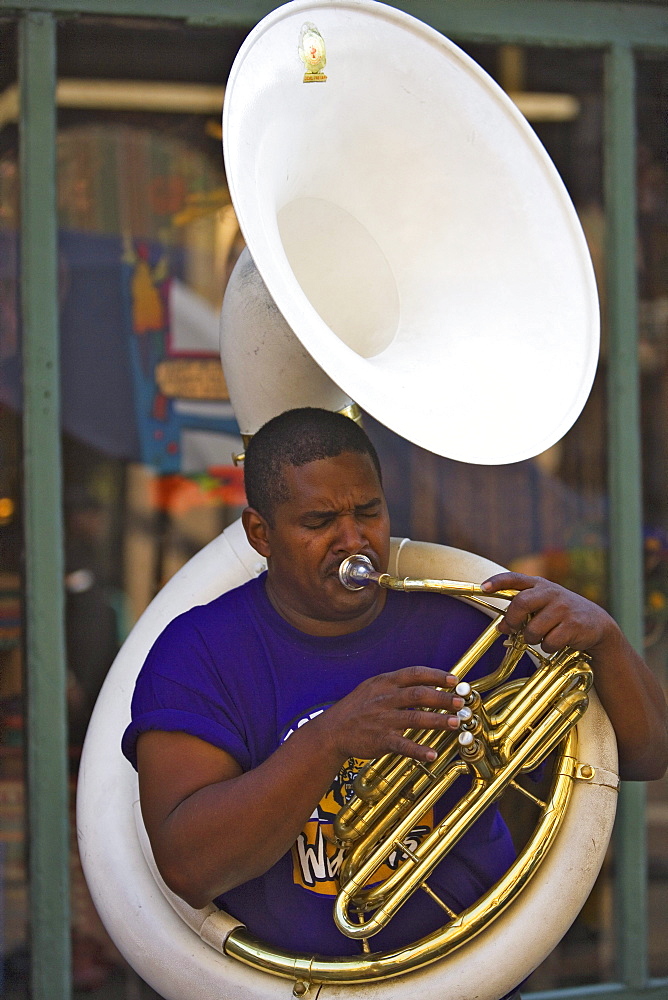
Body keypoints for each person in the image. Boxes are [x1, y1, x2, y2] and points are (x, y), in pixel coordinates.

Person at [122, 407, 668, 975]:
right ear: (260, 534)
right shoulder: (197, 652)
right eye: (318, 522)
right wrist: (330, 738)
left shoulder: (464, 626)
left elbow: (645, 756)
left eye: (369, 512)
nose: (354, 540)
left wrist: (606, 639)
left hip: (471, 974)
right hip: (287, 983)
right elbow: (189, 868)